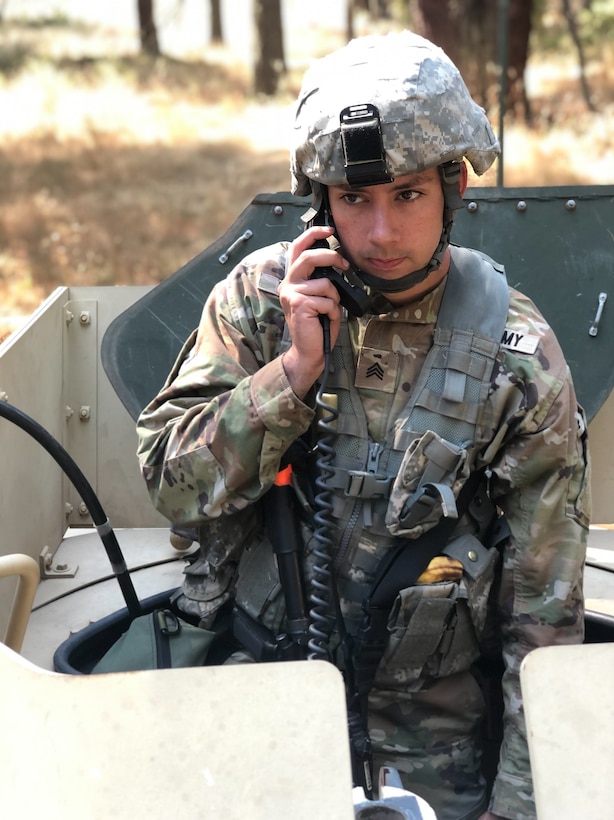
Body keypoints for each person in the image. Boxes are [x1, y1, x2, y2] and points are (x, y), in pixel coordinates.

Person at [136, 31, 590, 820]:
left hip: (435, 738)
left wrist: (515, 807)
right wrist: (291, 376)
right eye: (354, 199)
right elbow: (172, 489)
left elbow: (542, 616)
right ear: (321, 204)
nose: (379, 233)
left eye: (407, 195)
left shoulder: (519, 357)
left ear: (452, 190)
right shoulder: (258, 303)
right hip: (257, 701)